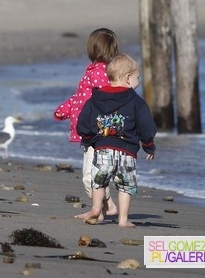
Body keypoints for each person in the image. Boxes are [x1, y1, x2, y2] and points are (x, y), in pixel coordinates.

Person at [76, 53, 157, 228]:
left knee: (99, 182)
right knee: (125, 186)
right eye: (137, 78)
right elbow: (146, 126)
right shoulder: (136, 101)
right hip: (126, 151)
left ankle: (97, 209)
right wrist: (149, 145)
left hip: (103, 148)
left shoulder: (95, 98)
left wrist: (89, 139)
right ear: (128, 78)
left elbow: (83, 121)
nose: (138, 81)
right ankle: (123, 219)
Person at [54, 28, 119, 220]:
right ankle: (101, 208)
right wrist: (65, 110)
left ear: (92, 49)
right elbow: (80, 98)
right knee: (92, 174)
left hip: (97, 132)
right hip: (91, 131)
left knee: (90, 176)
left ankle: (103, 208)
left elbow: (107, 95)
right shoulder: (93, 70)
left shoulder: (100, 72)